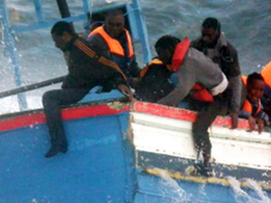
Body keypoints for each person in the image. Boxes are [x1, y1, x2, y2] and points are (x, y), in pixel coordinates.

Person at [43, 21, 133, 158]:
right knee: (55, 96)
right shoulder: (71, 48)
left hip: (86, 88)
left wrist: (119, 81)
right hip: (81, 86)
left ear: (65, 36)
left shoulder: (81, 47)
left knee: (49, 97)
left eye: (57, 40)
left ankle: (59, 143)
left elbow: (107, 63)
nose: (56, 45)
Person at [154, 35, 229, 176]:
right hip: (204, 91)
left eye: (161, 53)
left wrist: (158, 107)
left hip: (220, 98)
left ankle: (206, 163)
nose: (160, 57)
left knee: (200, 127)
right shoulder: (189, 53)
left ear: (170, 50)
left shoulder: (188, 63)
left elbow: (182, 90)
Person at [191, 17, 245, 129]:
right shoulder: (196, 45)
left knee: (219, 112)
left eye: (209, 35)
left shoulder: (229, 51)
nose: (205, 38)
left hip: (223, 90)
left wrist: (234, 110)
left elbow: (235, 80)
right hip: (203, 86)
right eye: (203, 34)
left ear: (218, 33)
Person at [88, 10, 140, 78]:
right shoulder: (96, 39)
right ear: (105, 23)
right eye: (111, 24)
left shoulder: (126, 36)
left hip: (123, 76)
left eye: (118, 25)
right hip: (105, 80)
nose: (114, 28)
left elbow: (132, 64)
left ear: (123, 24)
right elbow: (104, 70)